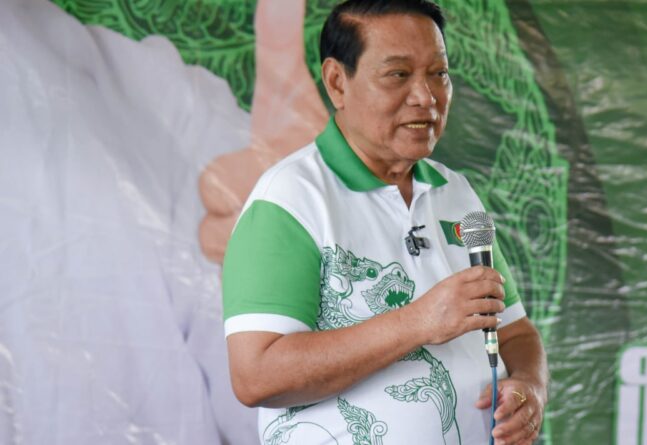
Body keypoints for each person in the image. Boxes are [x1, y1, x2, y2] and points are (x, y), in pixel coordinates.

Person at [222, 1, 548, 443]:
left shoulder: (456, 192)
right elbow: (255, 376)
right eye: (398, 74)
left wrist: (530, 385)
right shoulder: (291, 198)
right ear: (337, 82)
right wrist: (418, 322)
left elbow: (514, 330)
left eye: (438, 73)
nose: (426, 96)